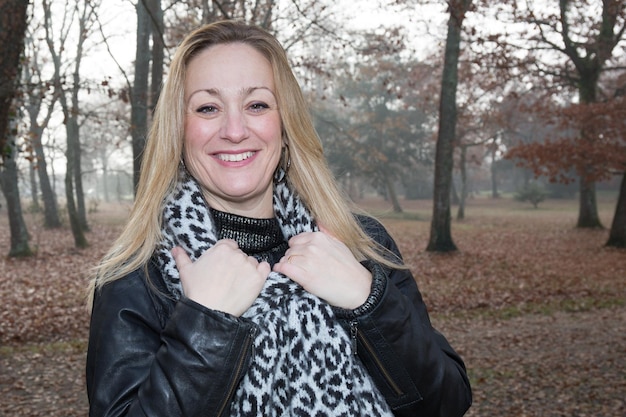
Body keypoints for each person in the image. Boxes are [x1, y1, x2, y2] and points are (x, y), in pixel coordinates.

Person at [86, 20, 472, 417]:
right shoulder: (137, 276)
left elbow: (447, 403)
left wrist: (367, 301)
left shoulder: (359, 243)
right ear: (178, 132)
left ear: (285, 126)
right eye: (207, 107)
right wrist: (205, 324)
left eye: (257, 105)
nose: (235, 130)